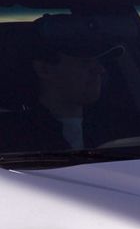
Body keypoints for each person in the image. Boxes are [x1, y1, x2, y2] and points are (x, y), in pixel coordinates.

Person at [14, 15, 123, 152]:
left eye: (100, 61)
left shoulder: (120, 128)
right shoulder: (15, 139)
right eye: (85, 61)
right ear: (44, 69)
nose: (100, 70)